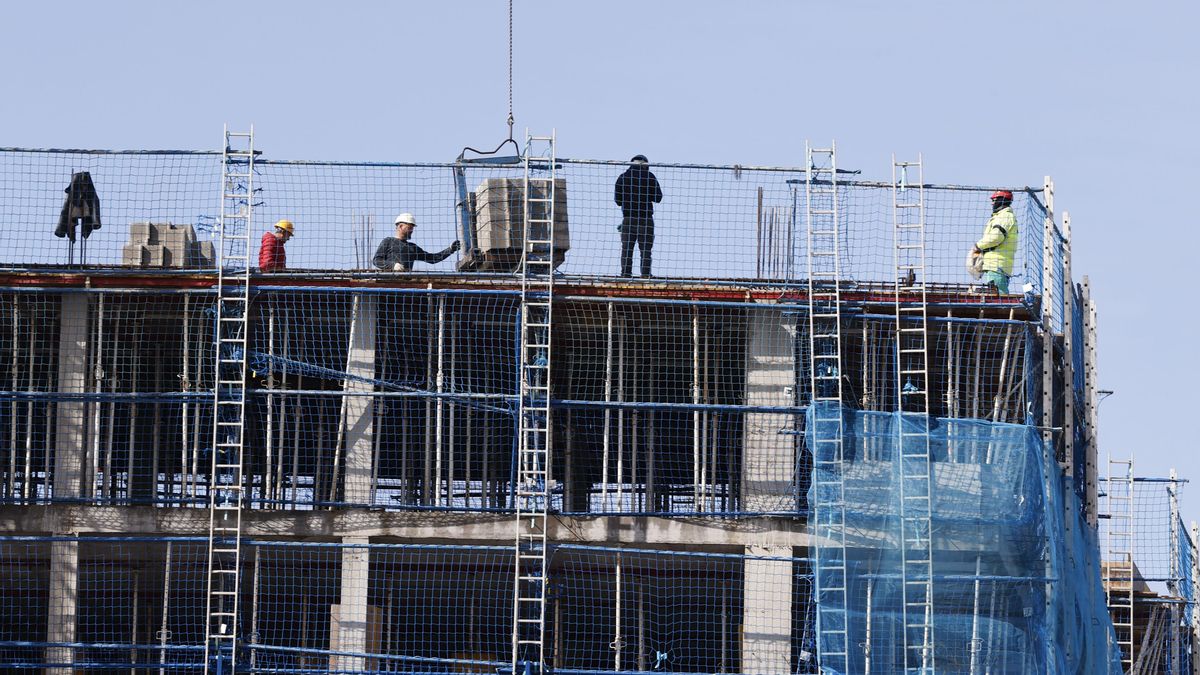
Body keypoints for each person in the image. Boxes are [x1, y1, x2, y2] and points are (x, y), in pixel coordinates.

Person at [614, 154, 663, 277]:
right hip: (646, 219)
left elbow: (618, 201)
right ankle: (646, 275)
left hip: (628, 218)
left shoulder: (623, 177)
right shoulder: (650, 177)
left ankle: (625, 274)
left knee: (627, 249)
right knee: (646, 250)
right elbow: (658, 197)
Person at [373, 213, 460, 271]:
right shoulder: (388, 241)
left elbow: (433, 258)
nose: (411, 230)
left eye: (412, 228)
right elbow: (376, 260)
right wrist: (393, 265)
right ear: (400, 226)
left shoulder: (412, 247)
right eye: (409, 227)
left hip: (406, 285)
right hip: (388, 282)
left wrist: (450, 249)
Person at [971, 190, 1018, 293]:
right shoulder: (1001, 216)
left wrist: (978, 246)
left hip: (996, 265)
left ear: (1001, 200)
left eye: (994, 200)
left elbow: (996, 237)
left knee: (999, 299)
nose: (992, 203)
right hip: (996, 265)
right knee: (997, 296)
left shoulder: (1004, 216)